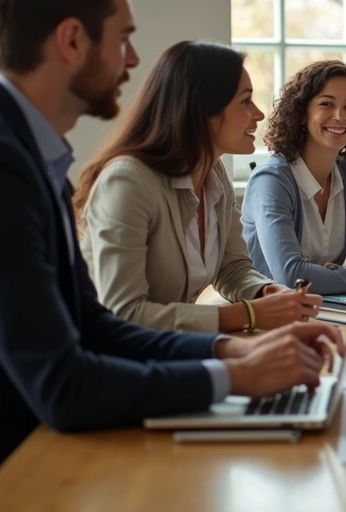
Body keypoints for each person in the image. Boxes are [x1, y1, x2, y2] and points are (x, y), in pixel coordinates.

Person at [0, 0, 343, 479]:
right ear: (71, 40)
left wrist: (234, 354)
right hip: (16, 467)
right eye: (123, 38)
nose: (133, 58)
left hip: (59, 438)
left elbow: (93, 325)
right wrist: (235, 375)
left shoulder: (24, 152)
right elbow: (64, 384)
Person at [76, 41, 322, 332]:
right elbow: (123, 313)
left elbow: (233, 267)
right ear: (202, 110)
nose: (259, 114)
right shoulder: (127, 182)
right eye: (245, 101)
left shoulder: (213, 173)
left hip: (164, 350)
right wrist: (249, 315)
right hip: (107, 361)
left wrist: (266, 292)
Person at [242, 60, 346, 294]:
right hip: (266, 316)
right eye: (326, 104)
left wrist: (333, 277)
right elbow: (291, 276)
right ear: (302, 113)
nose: (340, 116)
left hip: (324, 308)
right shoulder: (271, 181)